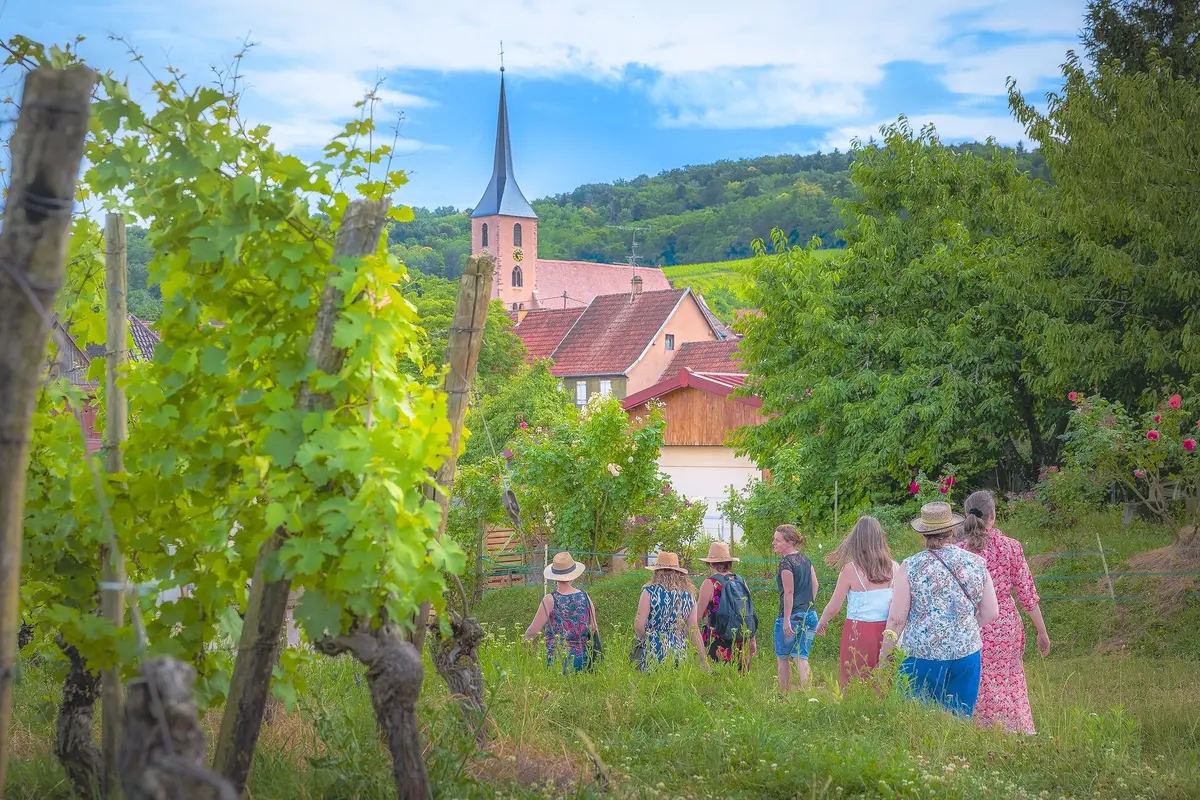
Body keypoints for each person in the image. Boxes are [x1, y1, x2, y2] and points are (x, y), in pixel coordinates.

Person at [880, 502, 999, 717]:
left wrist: (884, 656)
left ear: (923, 533)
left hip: (922, 654)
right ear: (952, 530)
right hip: (966, 652)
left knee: (917, 719)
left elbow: (897, 620)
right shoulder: (976, 562)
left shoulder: (911, 566)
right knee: (959, 719)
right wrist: (964, 627)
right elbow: (991, 612)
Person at [959, 490, 1051, 735]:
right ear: (993, 515)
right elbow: (1027, 596)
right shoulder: (1011, 548)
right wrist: (1042, 632)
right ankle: (1015, 731)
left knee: (975, 682)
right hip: (1005, 625)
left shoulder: (958, 551)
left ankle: (978, 731)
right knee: (1010, 682)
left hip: (971, 624)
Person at [815, 516, 898, 690]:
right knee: (884, 678)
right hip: (888, 630)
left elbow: (834, 606)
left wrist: (821, 622)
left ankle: (856, 708)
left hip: (858, 630)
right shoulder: (894, 567)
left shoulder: (850, 570)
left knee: (855, 675)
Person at [633, 552, 710, 671]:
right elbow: (693, 629)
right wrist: (703, 660)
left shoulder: (649, 592)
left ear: (657, 571)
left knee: (652, 687)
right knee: (675, 688)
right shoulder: (689, 595)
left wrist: (647, 639)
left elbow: (638, 625)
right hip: (679, 650)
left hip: (654, 649)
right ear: (679, 573)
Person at [524, 552, 597, 674]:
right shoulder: (585, 596)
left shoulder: (549, 600)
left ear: (554, 576)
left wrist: (525, 648)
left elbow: (532, 631)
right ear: (573, 576)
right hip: (583, 659)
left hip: (557, 660)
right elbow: (594, 628)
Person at [696, 541, 758, 670]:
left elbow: (697, 616)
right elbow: (748, 613)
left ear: (710, 563)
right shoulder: (740, 581)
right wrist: (752, 640)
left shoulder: (710, 583)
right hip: (740, 638)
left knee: (717, 679)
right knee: (739, 681)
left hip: (717, 639)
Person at [772, 524, 820, 692]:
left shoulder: (786, 564)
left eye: (778, 540)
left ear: (790, 542)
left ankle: (783, 695)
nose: (774, 543)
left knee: (783, 657)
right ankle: (808, 694)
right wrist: (809, 605)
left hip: (792, 616)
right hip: (809, 614)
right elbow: (816, 584)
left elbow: (789, 592)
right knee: (801, 657)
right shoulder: (806, 560)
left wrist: (786, 620)